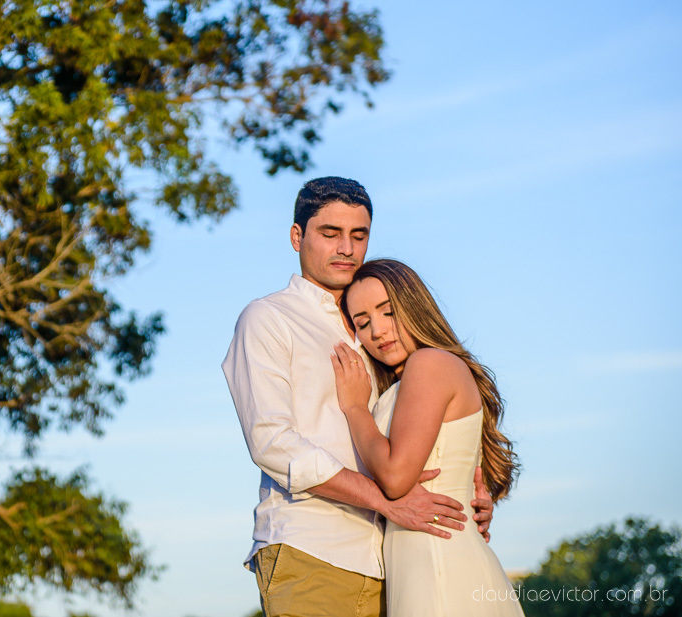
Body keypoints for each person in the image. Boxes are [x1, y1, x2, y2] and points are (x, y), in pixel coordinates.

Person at [222, 177, 495, 617]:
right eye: (330, 234)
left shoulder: (378, 330)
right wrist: (384, 499)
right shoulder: (269, 318)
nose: (346, 248)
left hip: (397, 560)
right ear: (297, 237)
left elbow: (426, 422)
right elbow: (272, 443)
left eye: (359, 235)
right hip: (314, 549)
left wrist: (471, 492)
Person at [331, 259, 522, 616]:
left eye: (388, 312)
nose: (378, 331)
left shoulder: (429, 363)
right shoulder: (407, 381)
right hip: (422, 564)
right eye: (363, 322)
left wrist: (355, 409)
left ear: (413, 305)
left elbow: (395, 476)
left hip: (439, 566)